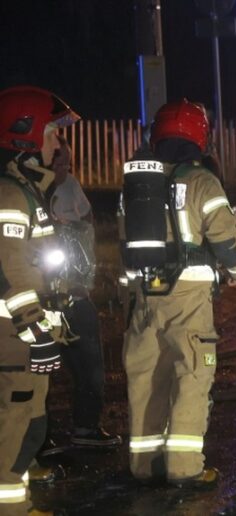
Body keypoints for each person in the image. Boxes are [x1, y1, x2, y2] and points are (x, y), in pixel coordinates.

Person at [120, 99, 236, 489]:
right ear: (200, 137)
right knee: (191, 374)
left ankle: (144, 465)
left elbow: (126, 247)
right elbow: (226, 243)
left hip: (144, 296)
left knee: (147, 379)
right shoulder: (202, 182)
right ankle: (183, 466)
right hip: (189, 298)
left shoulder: (137, 185)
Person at [0, 85, 79, 515]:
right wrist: (35, 329)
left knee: (29, 425)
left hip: (25, 337)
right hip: (14, 339)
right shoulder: (10, 195)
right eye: (51, 132)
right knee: (13, 428)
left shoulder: (26, 190)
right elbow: (9, 270)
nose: (58, 142)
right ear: (23, 134)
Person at [45, 133, 121, 448]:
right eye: (58, 161)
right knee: (40, 368)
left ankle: (86, 426)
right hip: (44, 298)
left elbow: (87, 219)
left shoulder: (71, 186)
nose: (64, 168)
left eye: (68, 162)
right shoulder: (27, 192)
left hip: (76, 292)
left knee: (90, 360)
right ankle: (39, 436)